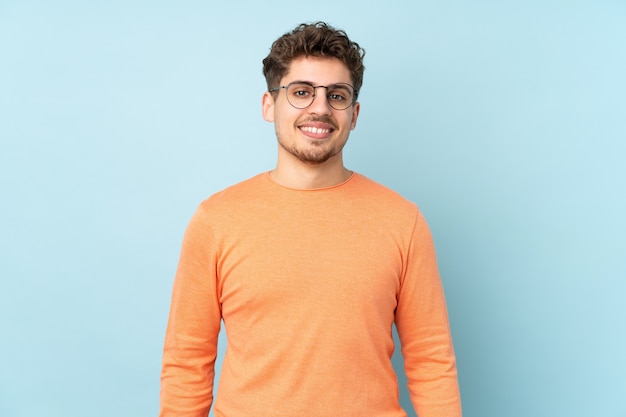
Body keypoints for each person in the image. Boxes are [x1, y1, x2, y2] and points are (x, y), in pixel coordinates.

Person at [159, 21, 462, 417]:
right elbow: (187, 359)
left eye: (336, 95)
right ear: (269, 106)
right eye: (301, 92)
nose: (319, 107)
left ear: (354, 114)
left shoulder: (402, 221)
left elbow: (431, 359)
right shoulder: (216, 219)